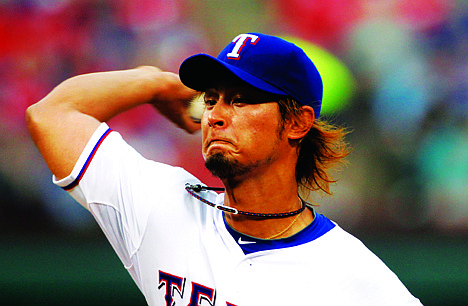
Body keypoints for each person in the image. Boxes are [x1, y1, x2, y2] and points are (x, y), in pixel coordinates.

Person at [26, 33, 423, 305]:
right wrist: (155, 83)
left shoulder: (354, 276)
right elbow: (51, 115)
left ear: (297, 123)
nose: (215, 115)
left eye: (240, 100)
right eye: (212, 98)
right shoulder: (161, 207)